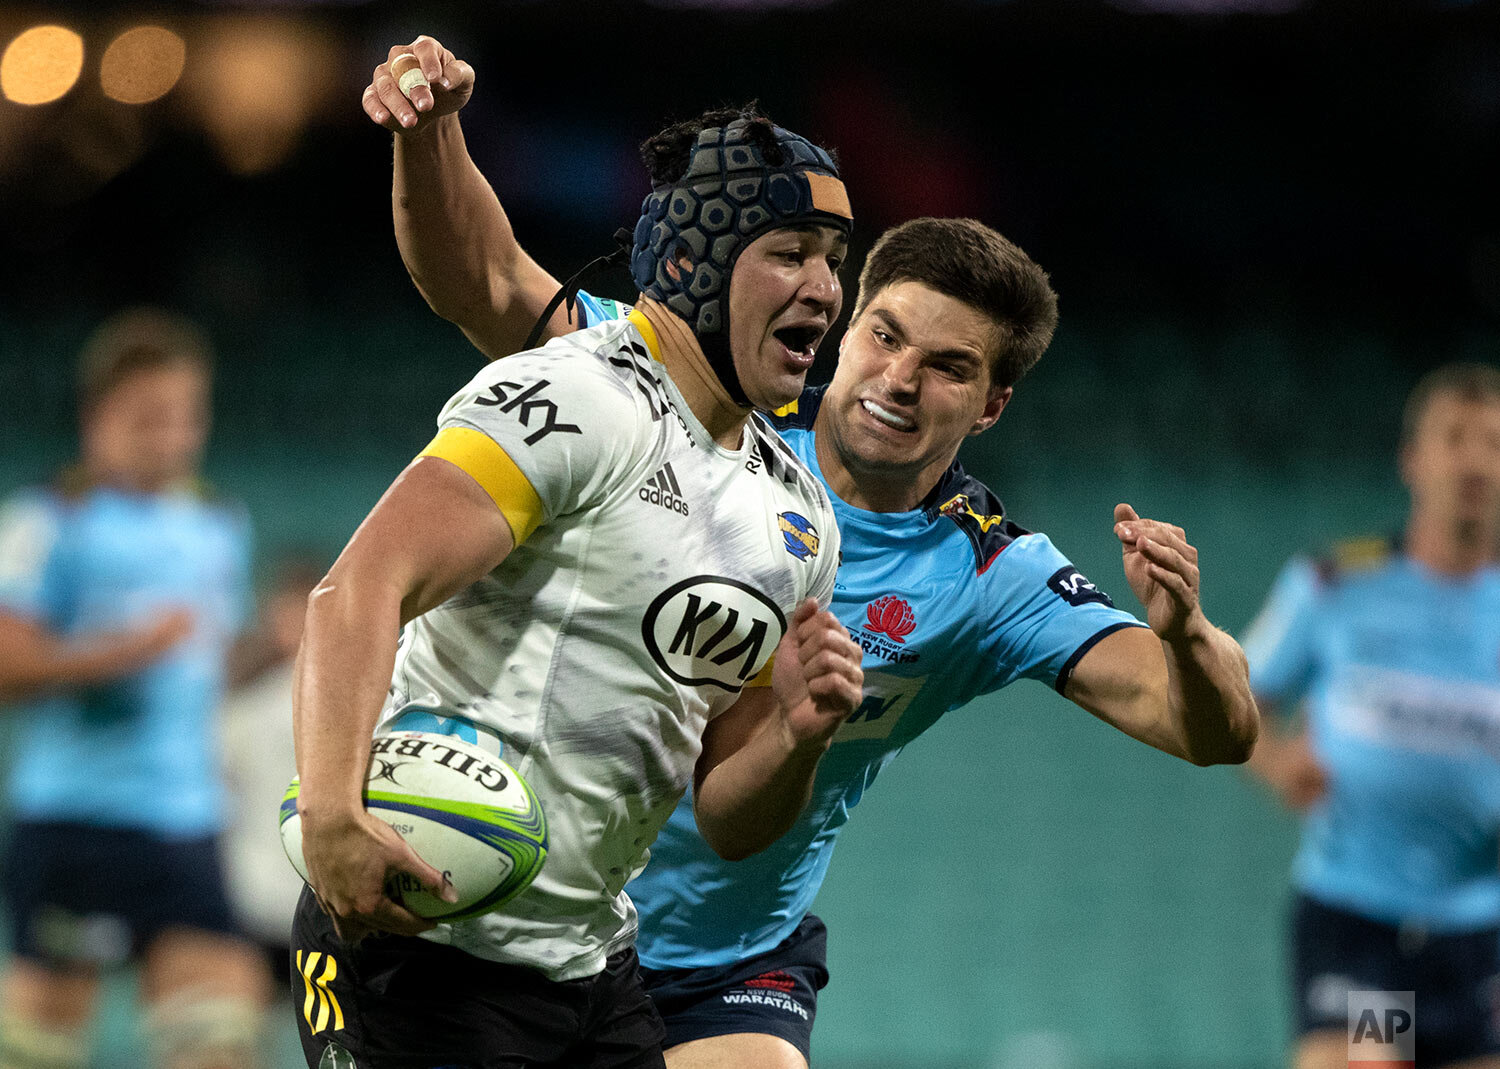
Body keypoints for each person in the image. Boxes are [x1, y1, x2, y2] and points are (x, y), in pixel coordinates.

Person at [363, 38, 1261, 1069]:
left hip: (723, 962)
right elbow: (479, 275)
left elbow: (1211, 729)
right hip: (524, 923)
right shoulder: (682, 391)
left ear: (992, 402)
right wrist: (429, 137)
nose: (900, 378)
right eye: (885, 336)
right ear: (846, 322)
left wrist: (1187, 632)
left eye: (950, 367)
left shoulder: (987, 572)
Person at [289, 107, 867, 1069]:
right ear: (693, 263)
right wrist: (333, 820)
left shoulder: (797, 517)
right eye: (791, 252)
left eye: (835, 260)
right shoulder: (580, 396)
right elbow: (357, 591)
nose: (824, 289)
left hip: (591, 974)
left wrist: (797, 735)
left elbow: (728, 813)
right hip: (422, 954)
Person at [0, 310, 270, 1069]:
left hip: (187, 826)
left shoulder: (219, 521)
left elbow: (207, 665)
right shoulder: (51, 518)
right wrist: (121, 651)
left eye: (187, 417)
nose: (173, 437)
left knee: (220, 1037)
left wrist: (272, 650)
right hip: (77, 822)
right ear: (97, 415)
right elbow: (8, 664)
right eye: (149, 418)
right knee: (38, 1051)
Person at [1244, 363, 1500, 1069]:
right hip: (1362, 924)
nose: (1474, 459)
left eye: (1493, 442)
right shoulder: (1335, 584)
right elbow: (1239, 698)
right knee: (1364, 1062)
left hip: (1481, 931)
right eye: (1455, 437)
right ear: (1412, 459)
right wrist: (1275, 761)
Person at [218, 557, 327, 982]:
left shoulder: (372, 700)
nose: (295, 624)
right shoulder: (243, 703)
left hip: (322, 897)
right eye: (286, 611)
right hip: (254, 896)